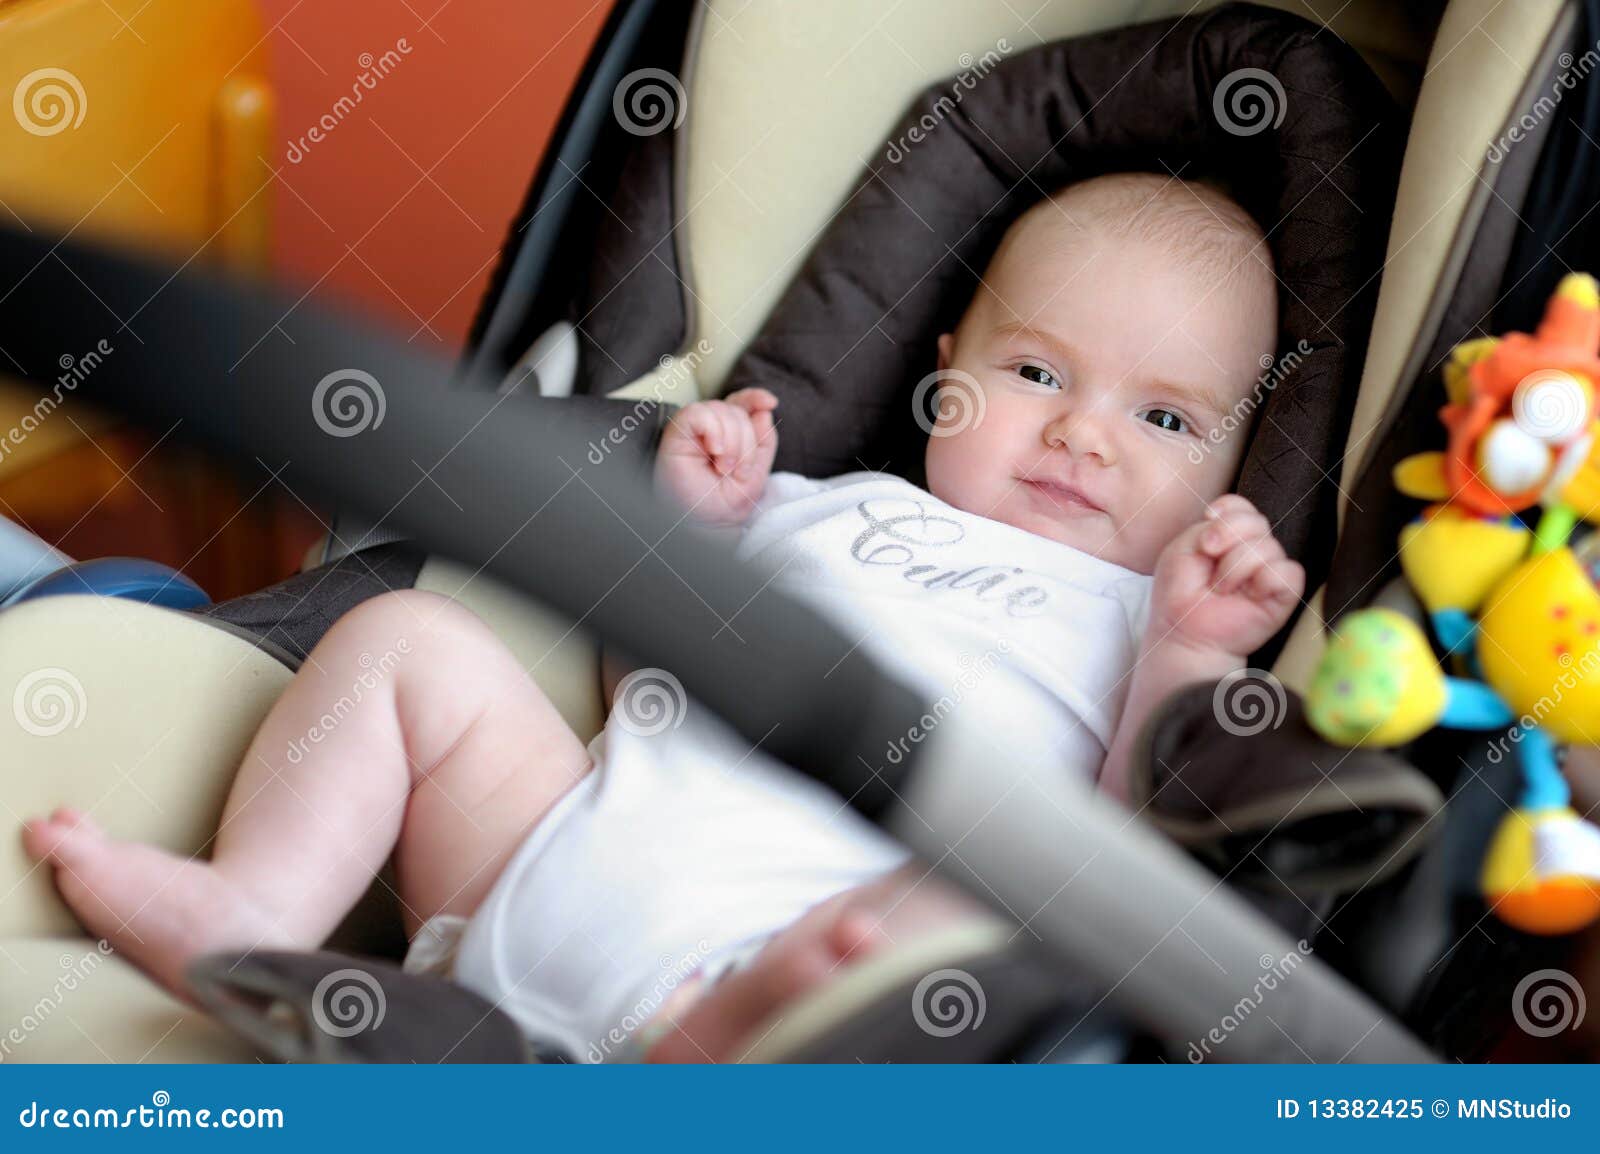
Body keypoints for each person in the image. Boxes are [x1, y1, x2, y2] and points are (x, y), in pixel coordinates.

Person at [22, 173, 1304, 1062]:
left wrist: (1191, 655)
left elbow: (1133, 852)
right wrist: (693, 532)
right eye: (1035, 372)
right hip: (533, 865)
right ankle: (258, 910)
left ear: (1236, 465)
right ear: (945, 370)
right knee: (408, 645)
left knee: (947, 927)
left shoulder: (1149, 614)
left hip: (789, 971)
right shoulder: (828, 503)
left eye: (1165, 419)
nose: (1083, 432)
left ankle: (679, 1051)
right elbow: (663, 671)